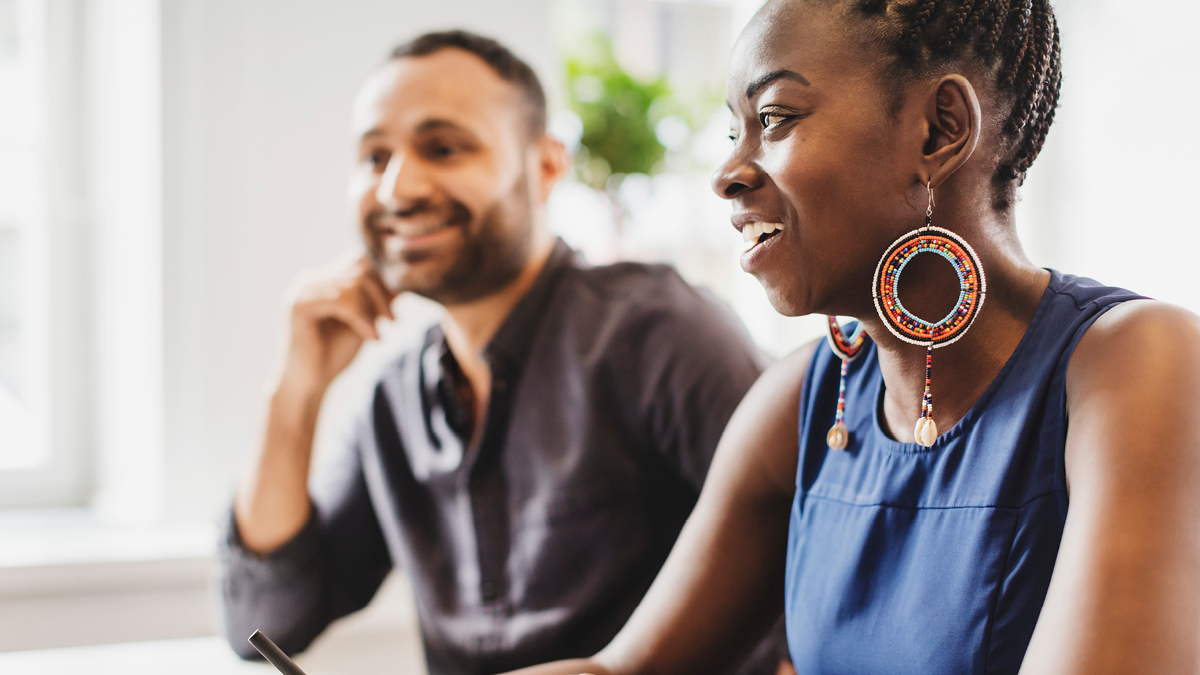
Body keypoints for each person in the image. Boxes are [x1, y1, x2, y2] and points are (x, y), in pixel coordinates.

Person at [495, 1, 1200, 674]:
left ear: (939, 129)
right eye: (732, 132)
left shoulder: (1139, 362)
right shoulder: (804, 397)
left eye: (774, 118)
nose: (728, 175)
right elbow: (626, 668)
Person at [218, 30, 790, 675]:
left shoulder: (656, 334)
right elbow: (262, 622)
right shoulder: (395, 400)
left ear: (546, 166)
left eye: (443, 148)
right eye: (375, 158)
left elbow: (811, 557)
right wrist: (296, 391)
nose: (397, 189)